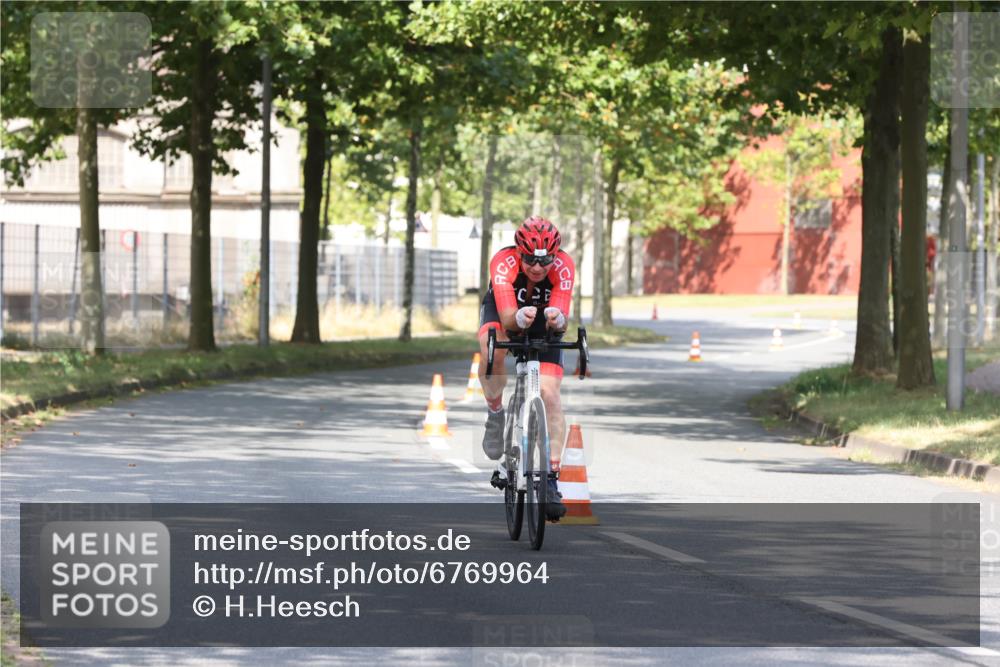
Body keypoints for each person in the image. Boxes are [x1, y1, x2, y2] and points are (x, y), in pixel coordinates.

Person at [478, 216, 575, 520]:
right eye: (531, 259)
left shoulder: (563, 266)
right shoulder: (503, 262)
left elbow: (563, 319)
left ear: (554, 256)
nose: (537, 266)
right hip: (504, 311)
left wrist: (558, 320)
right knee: (491, 352)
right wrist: (519, 320)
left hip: (543, 319)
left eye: (545, 260)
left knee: (550, 394)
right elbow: (508, 318)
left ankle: (550, 479)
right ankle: (496, 413)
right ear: (520, 252)